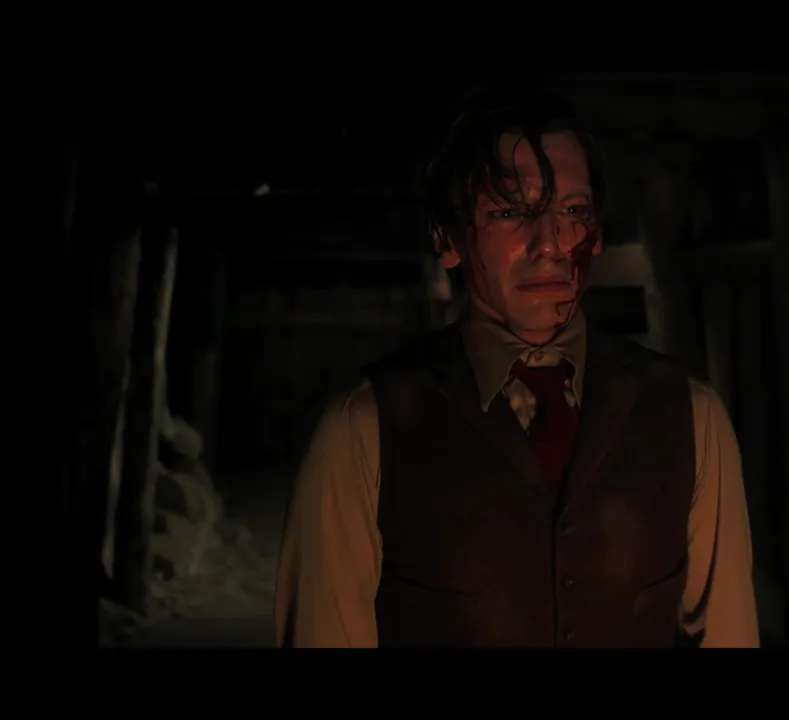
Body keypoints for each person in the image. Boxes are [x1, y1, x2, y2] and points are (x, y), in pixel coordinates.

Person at [273, 84, 759, 648]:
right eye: (509, 211)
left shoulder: (690, 416)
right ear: (448, 238)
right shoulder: (365, 429)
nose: (548, 244)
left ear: (597, 234)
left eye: (573, 211)